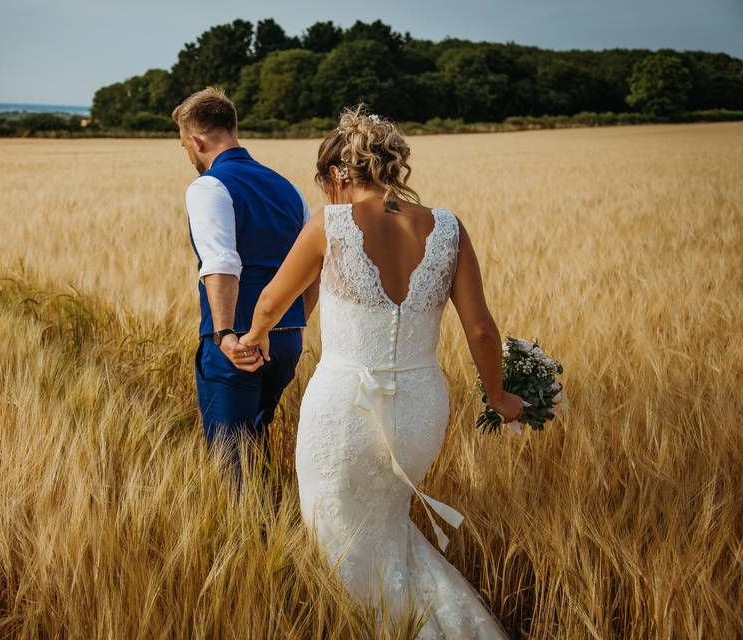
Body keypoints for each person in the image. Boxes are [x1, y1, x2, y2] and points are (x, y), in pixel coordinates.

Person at [237, 104, 521, 638]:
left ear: (340, 174)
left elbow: (274, 301)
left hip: (345, 407)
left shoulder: (331, 225)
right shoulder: (448, 228)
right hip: (419, 407)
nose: (327, 194)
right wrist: (500, 397)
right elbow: (481, 330)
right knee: (385, 528)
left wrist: (251, 339)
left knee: (338, 533)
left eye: (327, 182)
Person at [172, 87, 318, 491]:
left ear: (197, 140)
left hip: (236, 344)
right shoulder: (288, 188)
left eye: (186, 145)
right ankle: (269, 528)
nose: (188, 154)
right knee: (256, 443)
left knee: (231, 463)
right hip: (285, 344)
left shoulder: (209, 186)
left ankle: (249, 539)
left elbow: (220, 263)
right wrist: (292, 324)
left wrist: (225, 335)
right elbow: (312, 269)